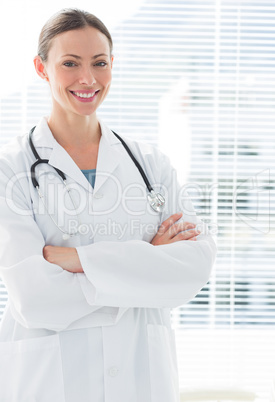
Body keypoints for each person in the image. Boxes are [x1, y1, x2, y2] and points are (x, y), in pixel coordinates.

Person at [0, 8, 216, 402]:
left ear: (112, 65)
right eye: (70, 63)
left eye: (100, 63)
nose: (88, 78)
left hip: (141, 378)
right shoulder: (11, 168)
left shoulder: (150, 163)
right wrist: (145, 266)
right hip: (50, 380)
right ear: (41, 67)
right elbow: (34, 299)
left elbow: (196, 265)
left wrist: (78, 260)